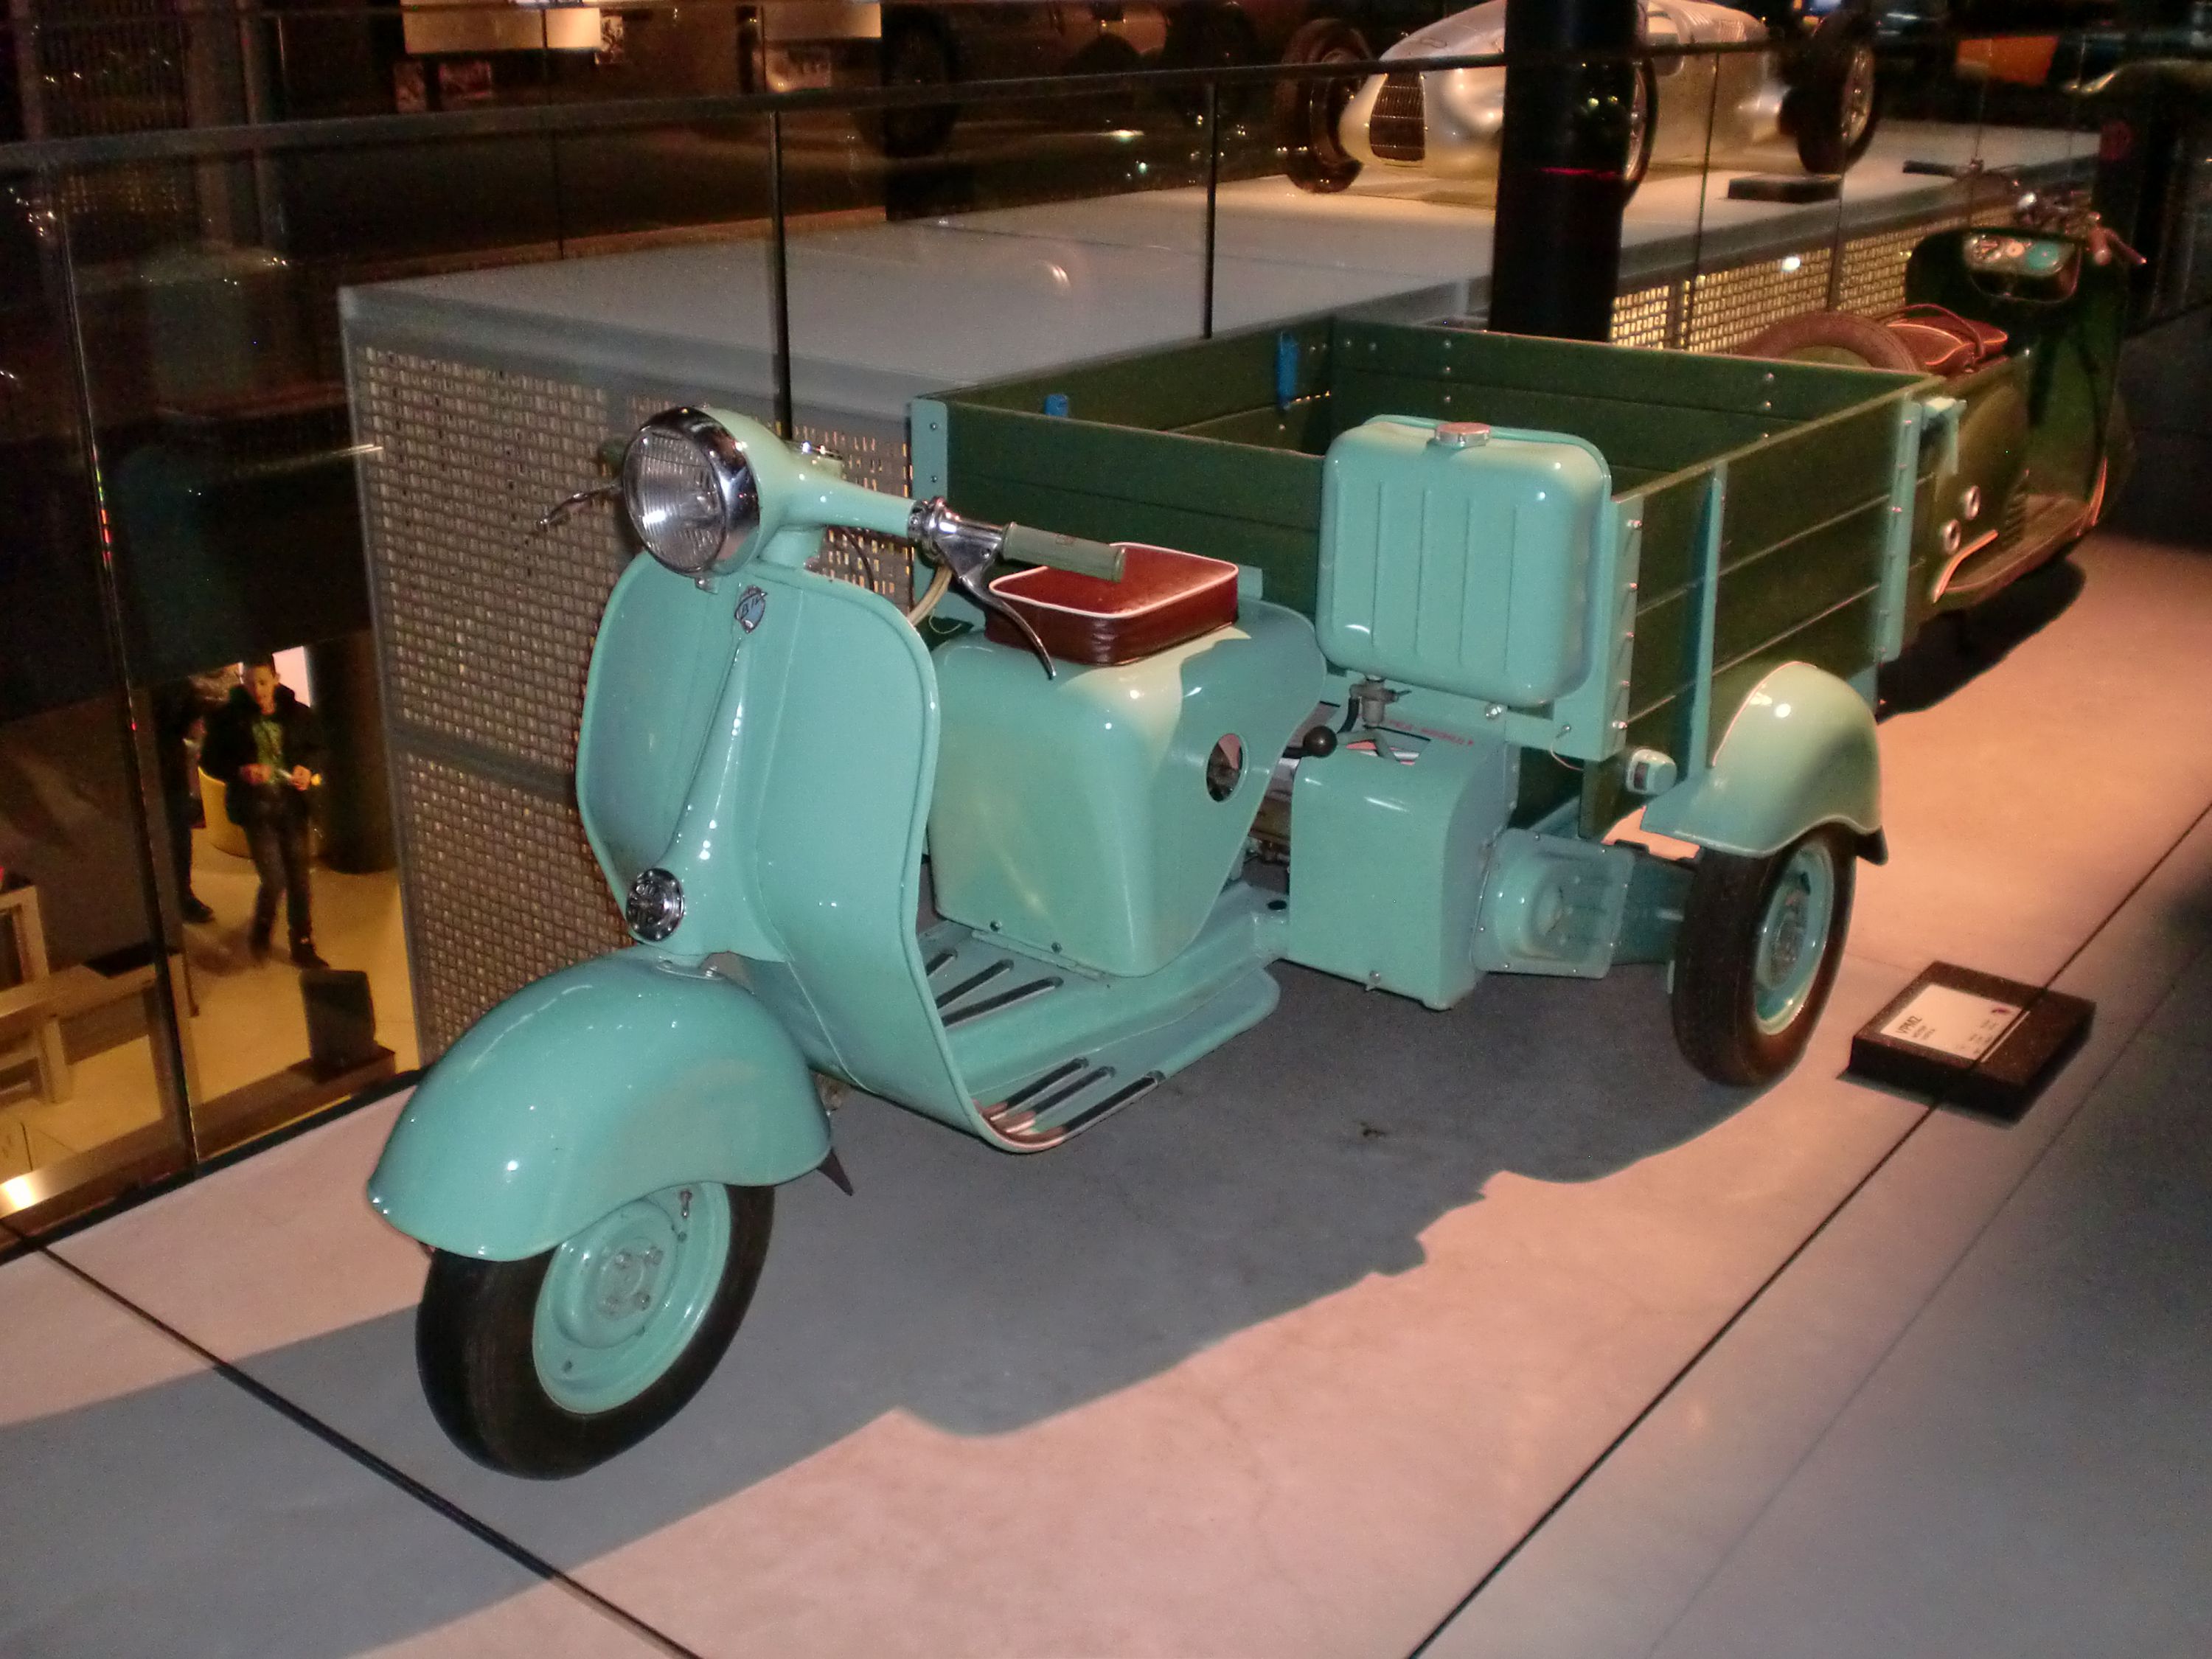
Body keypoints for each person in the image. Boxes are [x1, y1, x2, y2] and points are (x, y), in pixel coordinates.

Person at [201, 658, 329, 970]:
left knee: (300, 879)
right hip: (256, 809)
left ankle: (302, 942)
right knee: (273, 878)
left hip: (292, 806)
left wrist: (307, 768)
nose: (257, 690)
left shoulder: (298, 714)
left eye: (262, 682)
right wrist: (241, 771)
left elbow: (319, 748)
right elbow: (210, 760)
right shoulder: (229, 719)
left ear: (276, 679)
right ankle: (262, 925)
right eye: (249, 683)